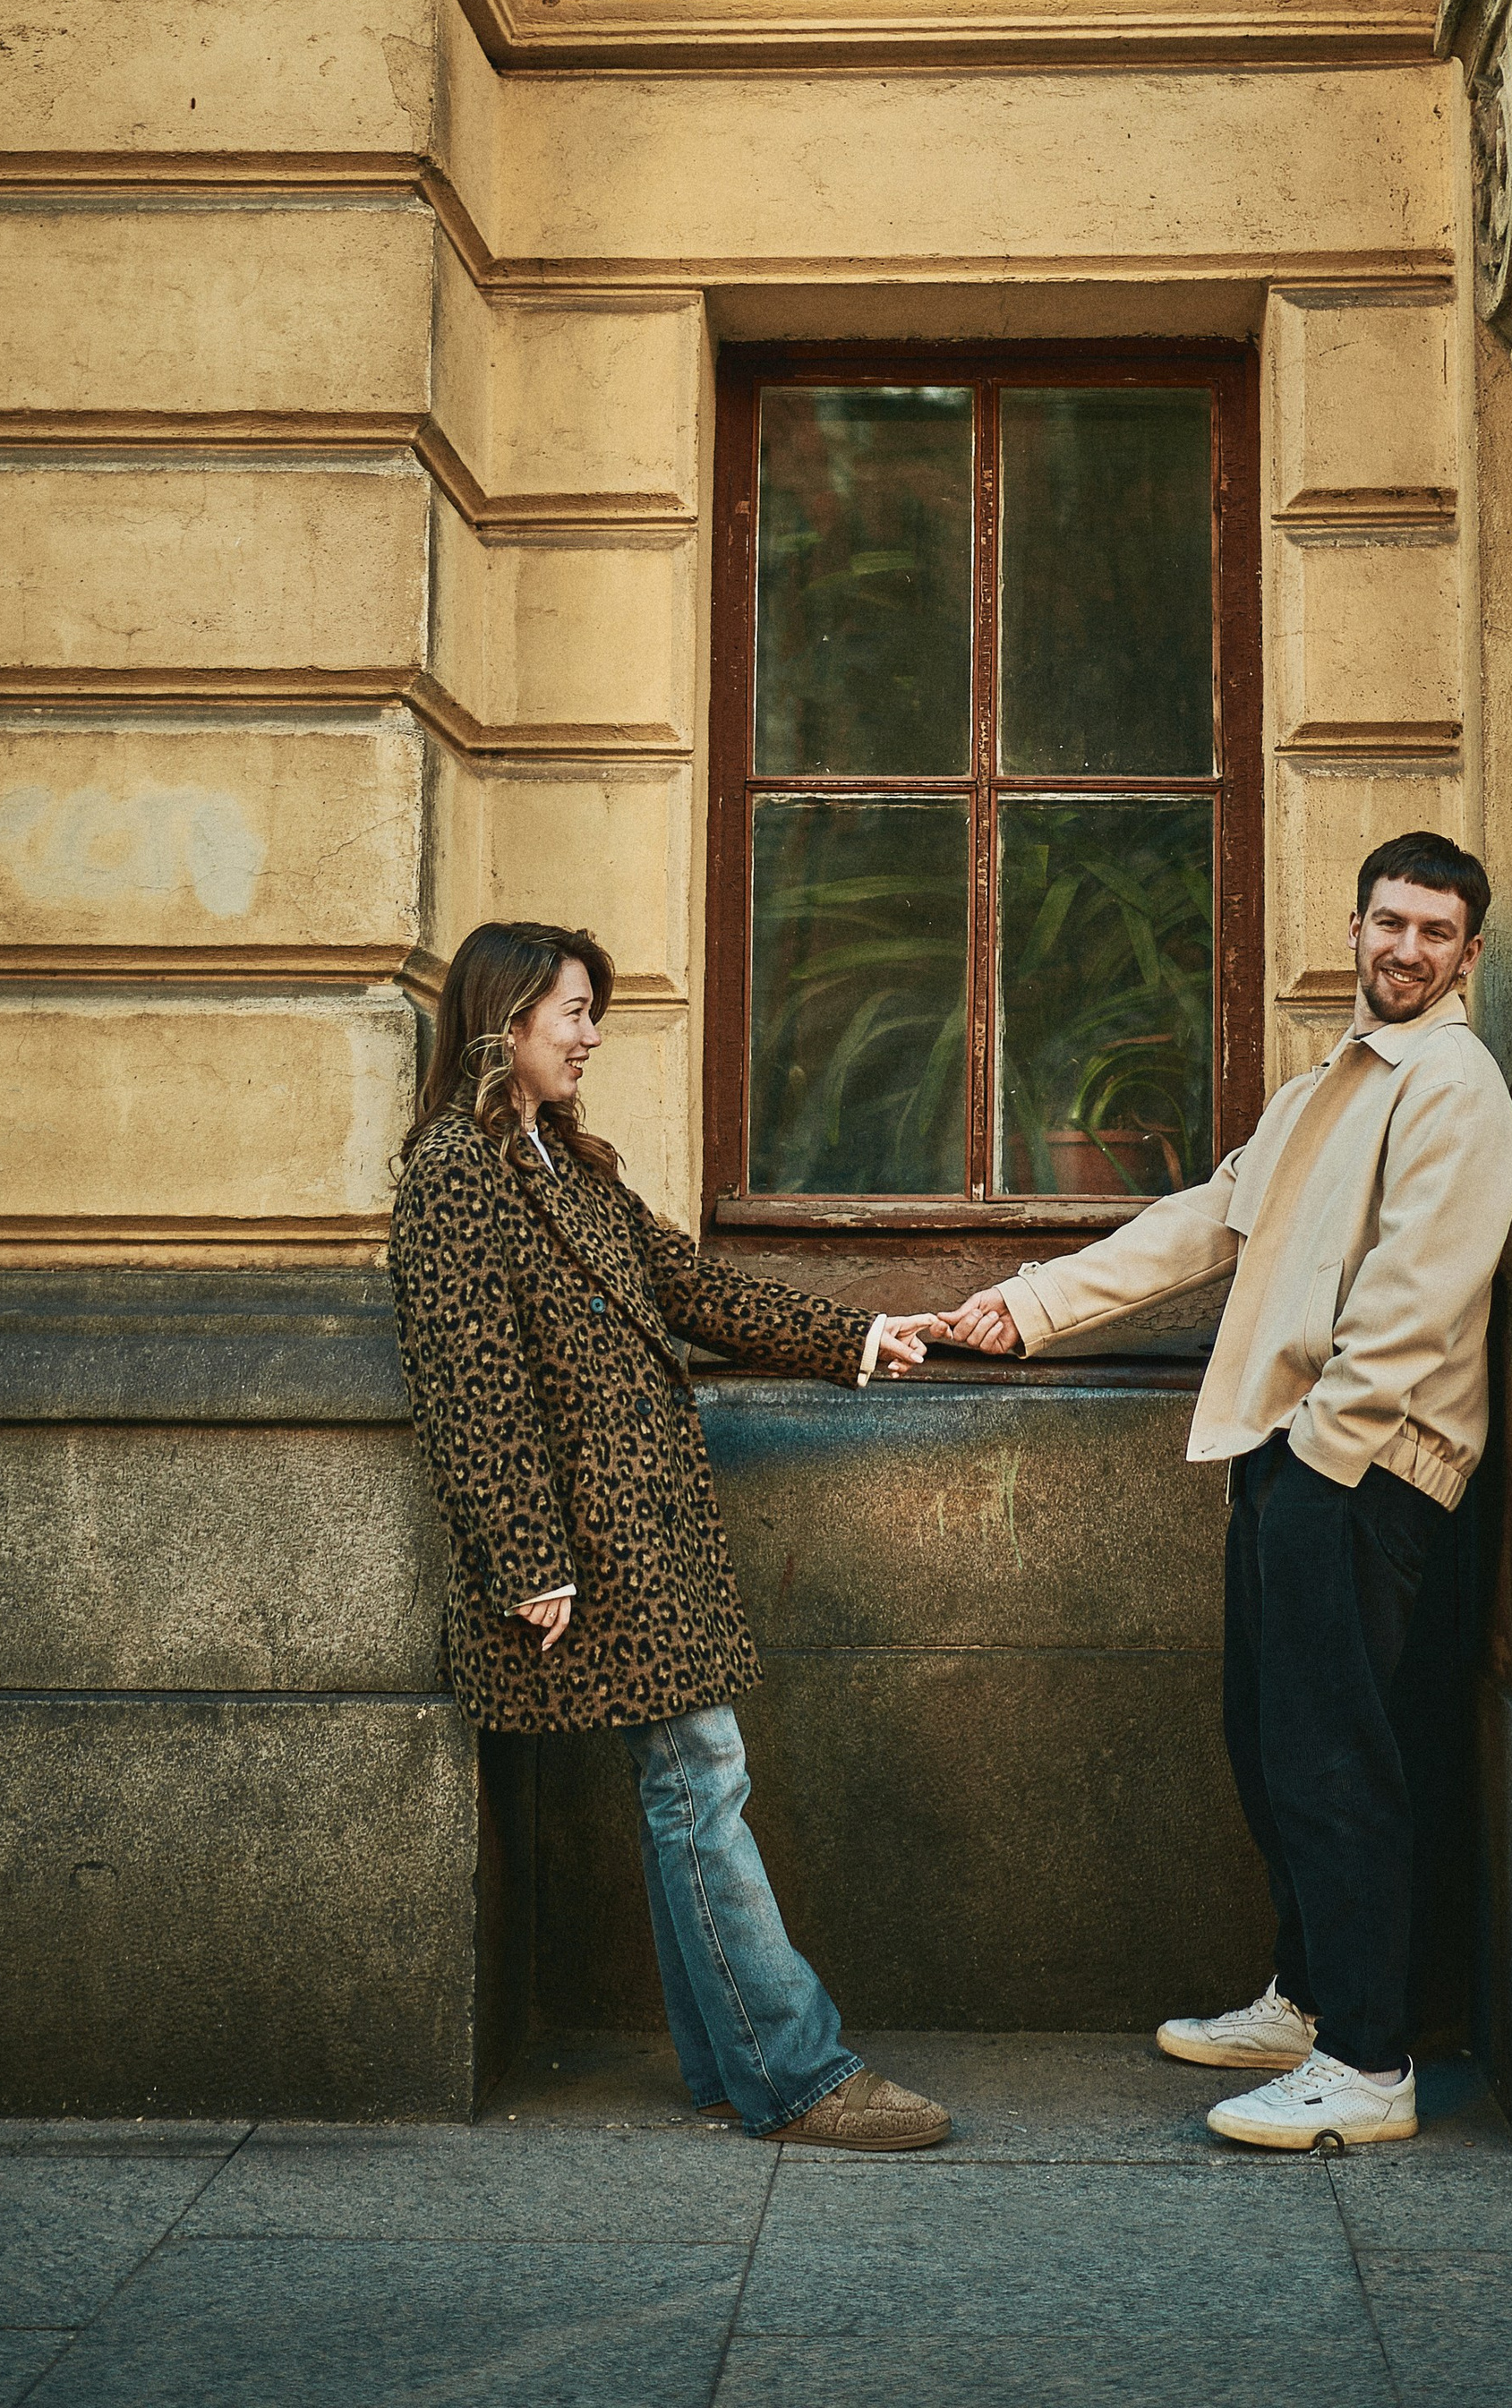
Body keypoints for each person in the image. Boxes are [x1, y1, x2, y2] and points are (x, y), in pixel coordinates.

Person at [943, 831, 1512, 2151]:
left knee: (1337, 1763)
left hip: (1362, 1468)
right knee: (1273, 1746)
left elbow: (1418, 1298)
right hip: (1292, 1453)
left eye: (1436, 933)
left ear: (1469, 954)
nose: (1406, 949)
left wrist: (1326, 1451)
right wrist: (1029, 1307)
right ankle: (1312, 1999)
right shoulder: (1341, 1075)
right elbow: (1208, 1219)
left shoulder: (1452, 1086)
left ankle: (1370, 2066)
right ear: (1357, 927)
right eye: (1390, 923)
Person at [388, 916, 952, 2152]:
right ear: (504, 1019)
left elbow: (693, 1288)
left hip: (649, 1531)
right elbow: (468, 1380)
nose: (590, 1035)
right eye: (571, 1012)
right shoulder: (450, 1173)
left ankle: (729, 2064)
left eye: (593, 1012)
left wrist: (855, 1337)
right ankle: (796, 2073)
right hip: (585, 1549)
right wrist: (524, 1556)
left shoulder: (571, 1165)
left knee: (685, 1781)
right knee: (700, 1774)